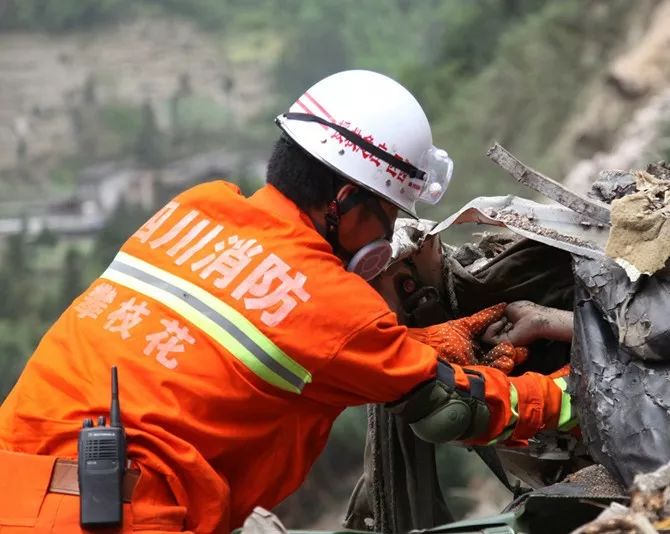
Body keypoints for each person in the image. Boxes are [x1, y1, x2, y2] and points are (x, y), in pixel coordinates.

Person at [0, 70, 576, 533]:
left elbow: (244, 338)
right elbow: (452, 409)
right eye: (389, 214)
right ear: (346, 201)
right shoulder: (333, 302)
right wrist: (564, 397)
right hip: (116, 517)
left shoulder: (196, 209)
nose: (389, 234)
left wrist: (404, 348)